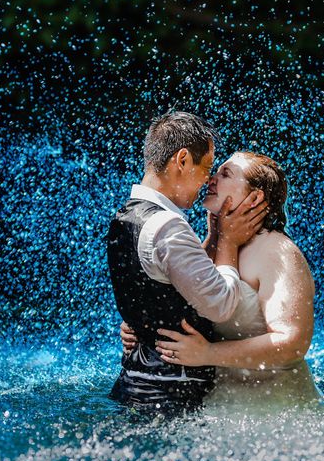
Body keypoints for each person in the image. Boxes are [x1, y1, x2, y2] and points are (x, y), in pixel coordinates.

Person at [121, 151, 321, 408]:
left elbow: (292, 343)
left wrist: (208, 354)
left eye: (225, 174)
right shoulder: (215, 246)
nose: (209, 180)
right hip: (216, 404)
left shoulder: (277, 252)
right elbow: (182, 302)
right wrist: (141, 324)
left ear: (255, 197)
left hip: (276, 409)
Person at [107, 112, 268, 410]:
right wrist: (229, 243)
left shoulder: (125, 216)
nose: (208, 180)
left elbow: (164, 284)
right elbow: (220, 305)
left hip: (134, 384)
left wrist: (212, 239)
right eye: (206, 167)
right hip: (171, 398)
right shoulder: (168, 227)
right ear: (182, 161)